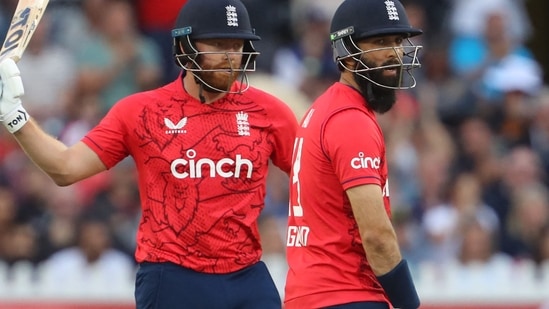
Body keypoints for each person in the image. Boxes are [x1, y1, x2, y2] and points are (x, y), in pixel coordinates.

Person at [0, 0, 298, 308]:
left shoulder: (269, 112)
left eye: (237, 45)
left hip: (247, 275)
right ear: (184, 48)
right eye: (218, 44)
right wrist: (14, 116)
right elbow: (66, 167)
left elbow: (313, 181)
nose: (229, 57)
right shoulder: (141, 112)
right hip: (173, 277)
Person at [284, 0, 422, 308]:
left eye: (399, 41)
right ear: (347, 53)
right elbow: (376, 235)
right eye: (381, 42)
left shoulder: (325, 108)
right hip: (347, 293)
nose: (396, 53)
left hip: (312, 293)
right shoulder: (350, 119)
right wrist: (408, 304)